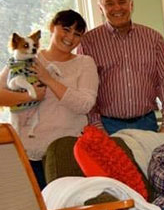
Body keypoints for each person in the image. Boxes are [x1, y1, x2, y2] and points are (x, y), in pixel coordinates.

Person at [1, 10, 98, 189]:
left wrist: (49, 79)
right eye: (66, 29)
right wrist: (28, 95)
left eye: (77, 34)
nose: (70, 37)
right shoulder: (25, 57)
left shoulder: (85, 63)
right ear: (52, 27)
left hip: (67, 152)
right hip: (27, 153)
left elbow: (85, 105)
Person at [78, 0, 164, 134]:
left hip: (148, 123)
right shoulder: (88, 42)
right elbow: (86, 89)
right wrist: (97, 127)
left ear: (131, 4)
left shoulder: (153, 38)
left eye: (122, 2)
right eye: (109, 4)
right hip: (107, 126)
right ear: (101, 8)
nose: (117, 8)